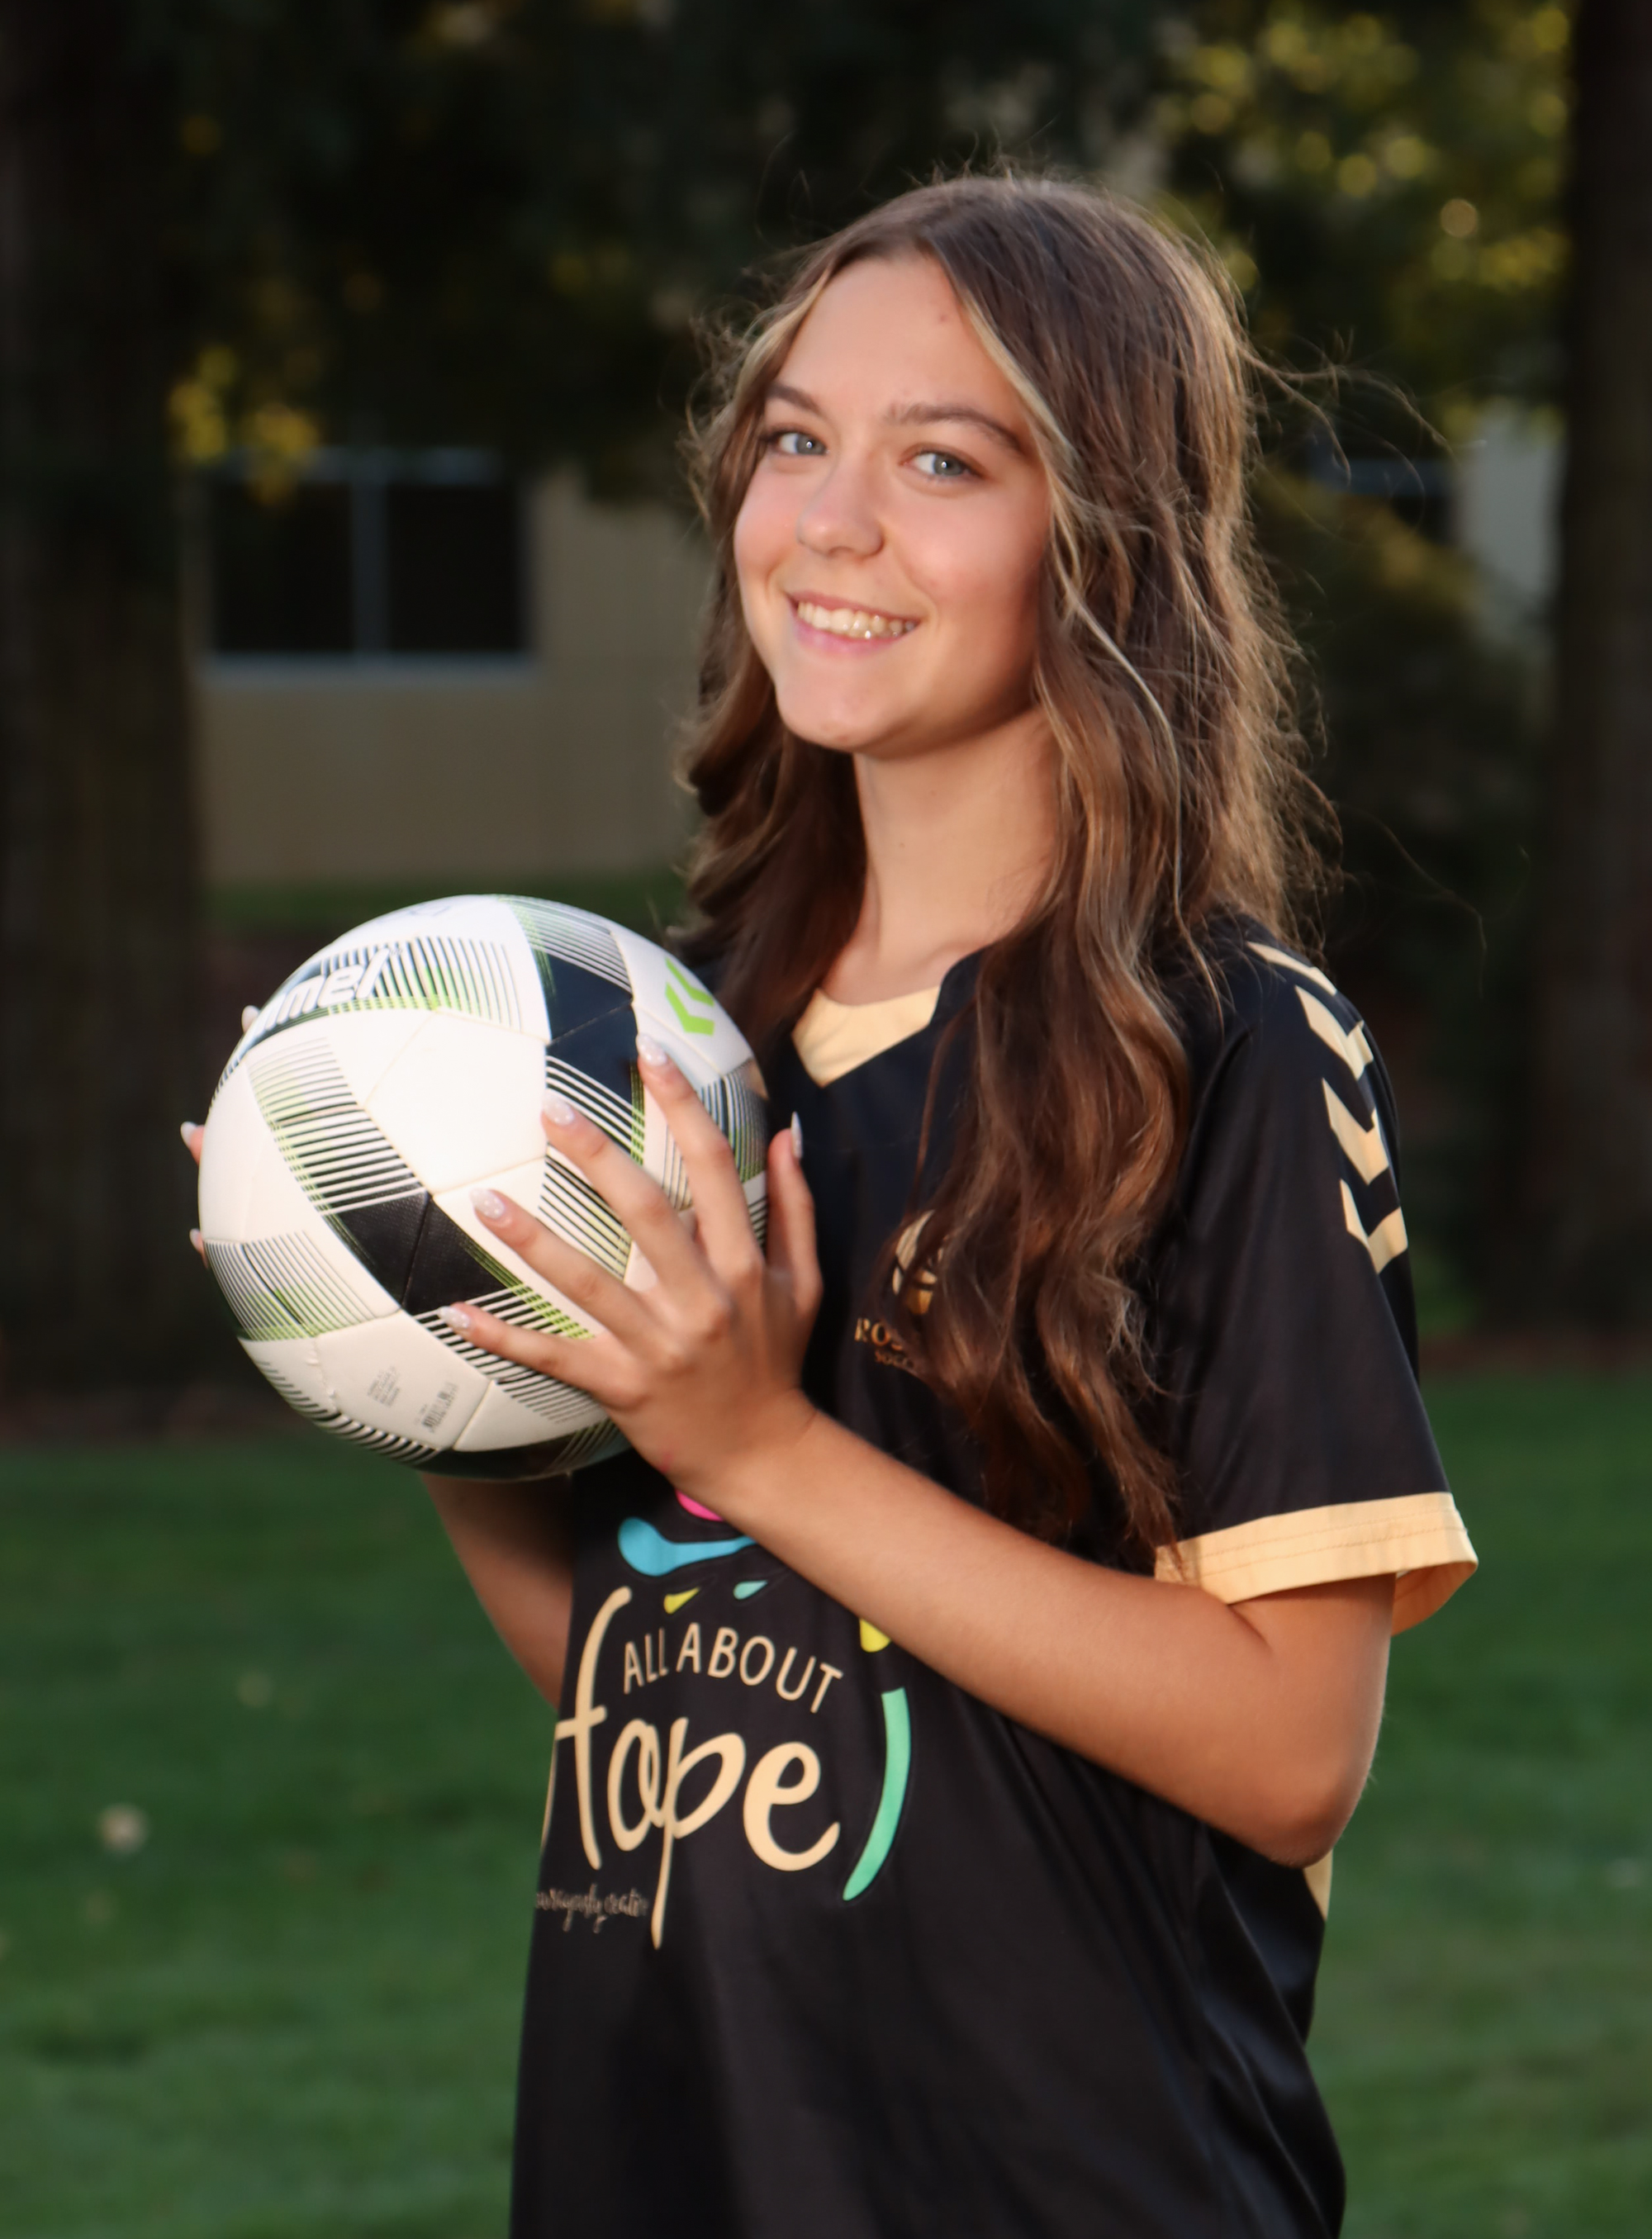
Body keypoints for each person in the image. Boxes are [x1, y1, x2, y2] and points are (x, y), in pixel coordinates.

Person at [192, 175, 1477, 2237]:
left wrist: (762, 1443)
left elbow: (1287, 1746)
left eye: (942, 461)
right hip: (669, 2158)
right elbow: (653, 1669)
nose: (830, 521)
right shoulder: (673, 1047)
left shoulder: (1216, 1045)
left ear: (1108, 540)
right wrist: (409, 1326)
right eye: (795, 438)